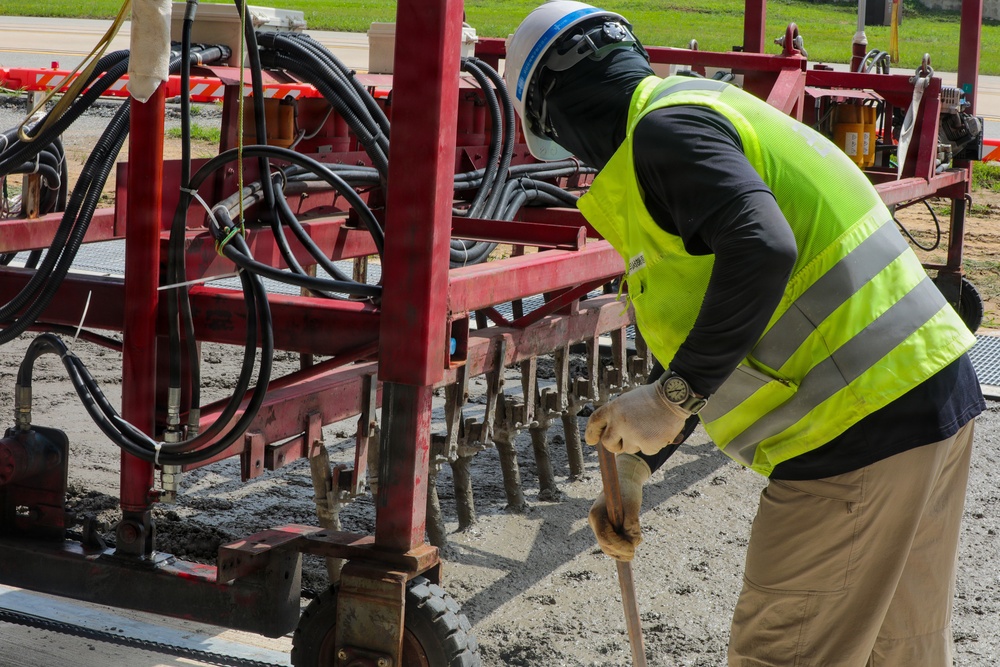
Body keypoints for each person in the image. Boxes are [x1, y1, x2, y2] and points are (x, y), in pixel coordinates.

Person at [504, 3, 985, 665]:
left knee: (782, 651)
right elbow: (734, 310)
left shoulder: (662, 135)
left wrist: (671, 399)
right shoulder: (698, 112)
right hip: (927, 401)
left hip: (855, 432)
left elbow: (762, 249)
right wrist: (643, 460)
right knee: (897, 653)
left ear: (552, 115)